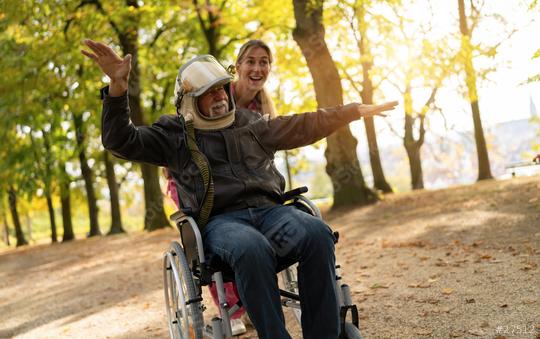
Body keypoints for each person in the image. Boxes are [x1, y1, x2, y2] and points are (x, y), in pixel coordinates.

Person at [82, 39, 397, 339]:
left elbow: (303, 124)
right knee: (250, 247)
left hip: (270, 212)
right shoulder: (174, 134)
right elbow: (121, 141)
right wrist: (118, 88)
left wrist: (351, 111)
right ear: (190, 99)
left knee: (317, 233)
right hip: (222, 224)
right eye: (210, 92)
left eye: (222, 88)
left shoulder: (251, 122)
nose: (220, 96)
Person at [163, 39, 277, 335]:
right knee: (213, 231)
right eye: (250, 61)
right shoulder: (217, 90)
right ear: (236, 67)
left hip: (238, 187)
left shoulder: (263, 106)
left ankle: (255, 299)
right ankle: (234, 307)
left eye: (264, 62)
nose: (257, 68)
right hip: (193, 180)